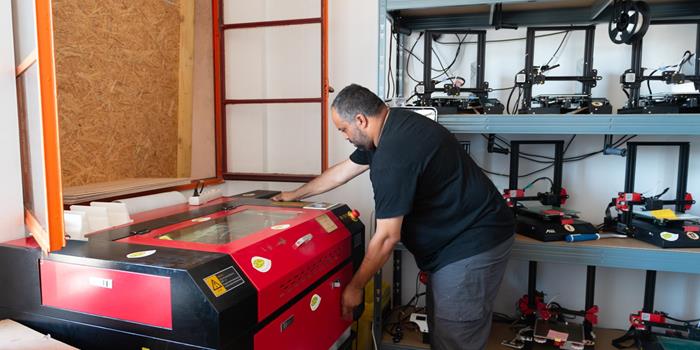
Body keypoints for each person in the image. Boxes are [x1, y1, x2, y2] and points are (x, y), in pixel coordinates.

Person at [272, 84, 515, 350]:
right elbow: (342, 171)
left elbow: (387, 237)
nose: (343, 136)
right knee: (442, 330)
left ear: (361, 120)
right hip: (454, 240)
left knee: (454, 336)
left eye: (343, 129)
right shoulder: (392, 124)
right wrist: (296, 193)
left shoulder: (393, 154)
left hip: (471, 243)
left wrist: (355, 287)